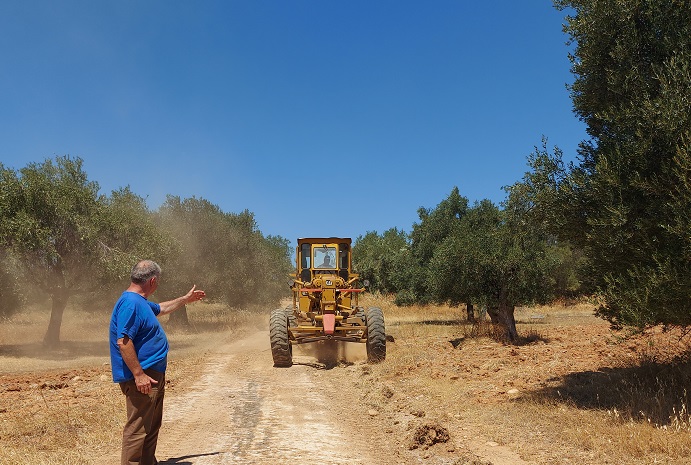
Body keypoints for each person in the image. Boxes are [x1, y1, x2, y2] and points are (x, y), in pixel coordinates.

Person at [109, 260, 206, 465]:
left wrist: (185, 300)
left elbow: (161, 308)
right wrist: (138, 374)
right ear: (152, 280)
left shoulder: (141, 302)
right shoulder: (131, 303)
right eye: (158, 281)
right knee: (137, 429)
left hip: (152, 373)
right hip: (143, 375)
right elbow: (124, 341)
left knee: (151, 426)